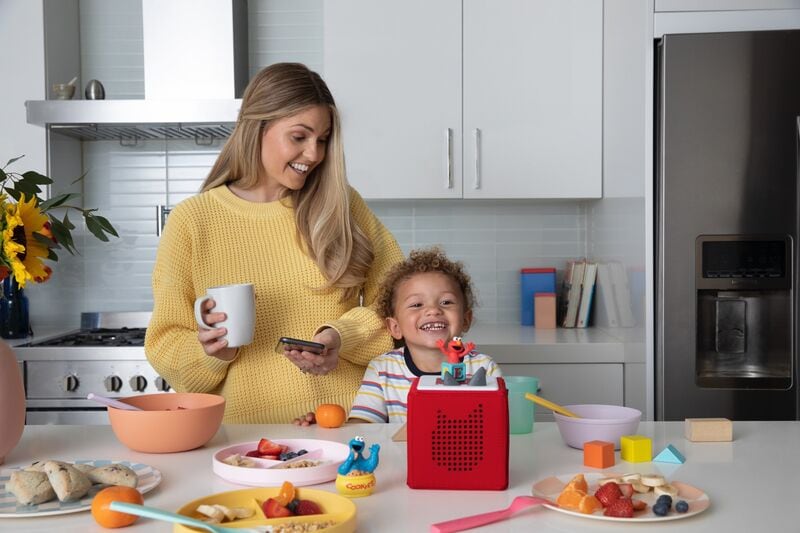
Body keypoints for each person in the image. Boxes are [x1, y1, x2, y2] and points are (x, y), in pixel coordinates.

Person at [145, 63, 404, 423]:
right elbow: (166, 344)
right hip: (244, 442)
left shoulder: (341, 206)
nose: (314, 154)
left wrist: (340, 336)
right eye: (299, 137)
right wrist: (212, 352)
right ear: (257, 128)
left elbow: (400, 303)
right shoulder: (192, 221)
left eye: (323, 139)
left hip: (344, 426)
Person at [348, 247, 502, 423]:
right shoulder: (383, 369)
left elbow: (499, 426)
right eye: (416, 304)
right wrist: (324, 428)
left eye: (446, 302)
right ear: (395, 327)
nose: (433, 310)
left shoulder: (484, 368)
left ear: (465, 320)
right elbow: (362, 427)